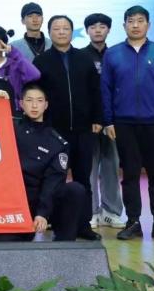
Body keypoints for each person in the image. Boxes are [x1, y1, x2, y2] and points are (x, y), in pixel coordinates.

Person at [102, 6, 154, 243]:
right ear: (124, 25)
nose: (135, 25)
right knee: (130, 175)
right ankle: (133, 221)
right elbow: (105, 90)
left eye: (140, 21)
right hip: (124, 123)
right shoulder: (113, 54)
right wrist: (108, 120)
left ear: (148, 24)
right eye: (130, 21)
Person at [33, 15, 103, 242]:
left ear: (72, 32)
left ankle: (84, 225)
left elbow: (96, 91)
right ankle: (58, 223)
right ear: (49, 32)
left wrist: (97, 118)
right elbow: (36, 95)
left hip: (83, 130)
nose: (61, 32)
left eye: (65, 28)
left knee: (83, 179)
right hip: (54, 131)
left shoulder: (84, 59)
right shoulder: (41, 61)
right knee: (55, 179)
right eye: (56, 28)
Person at [0, 83, 85, 242]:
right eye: (29, 100)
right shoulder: (9, 127)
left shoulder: (57, 142)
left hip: (42, 199)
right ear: (21, 103)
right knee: (2, 249)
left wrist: (42, 213)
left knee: (75, 190)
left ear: (46, 105)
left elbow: (53, 180)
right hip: (14, 203)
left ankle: (65, 244)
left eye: (39, 101)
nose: (34, 105)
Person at [83, 13, 125, 229]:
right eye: (93, 27)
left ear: (109, 29)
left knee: (111, 165)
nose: (97, 30)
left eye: (102, 26)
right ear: (87, 31)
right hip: (88, 122)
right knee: (88, 168)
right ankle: (90, 211)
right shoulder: (80, 56)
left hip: (113, 121)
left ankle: (111, 212)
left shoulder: (117, 55)